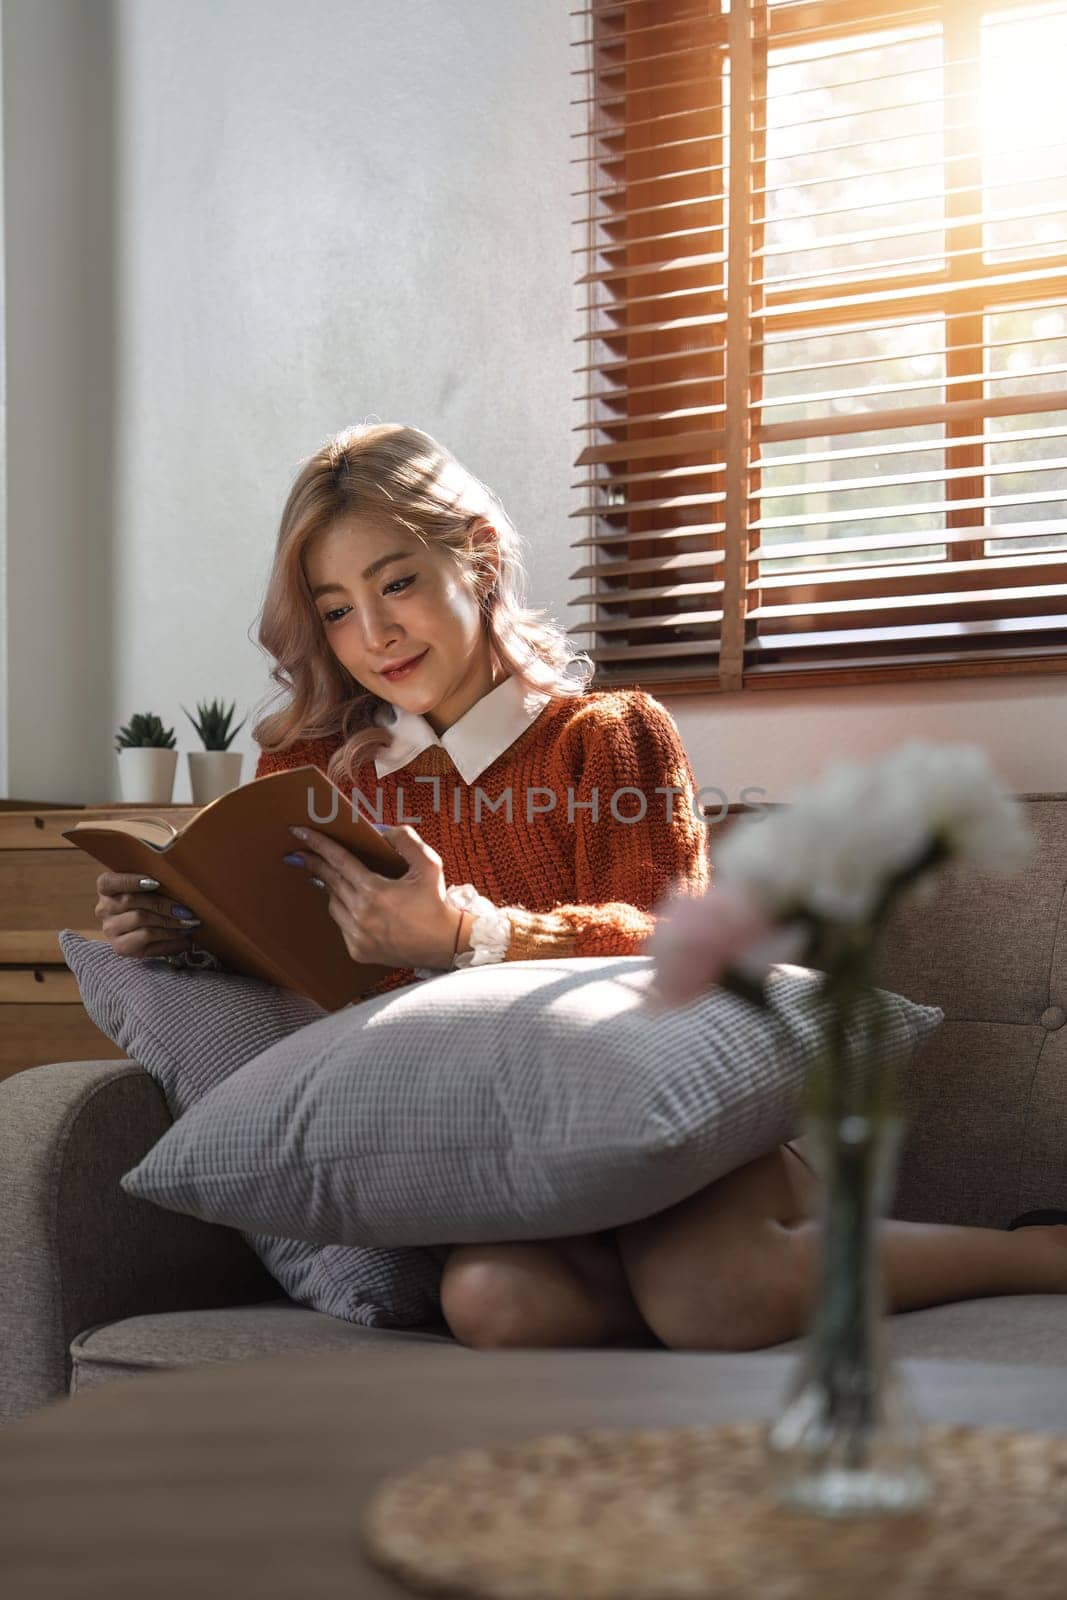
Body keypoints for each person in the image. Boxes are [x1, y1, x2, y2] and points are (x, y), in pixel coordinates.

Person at [93, 422, 1067, 1354]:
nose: (374, 633)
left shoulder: (604, 737)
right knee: (491, 1300)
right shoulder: (313, 771)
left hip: (651, 1112)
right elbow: (303, 974)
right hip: (484, 1151)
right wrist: (185, 932)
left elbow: (669, 943)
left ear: (473, 556)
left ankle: (1029, 1251)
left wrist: (470, 936)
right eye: (337, 607)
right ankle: (745, 1258)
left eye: (397, 582)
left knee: (709, 1294)